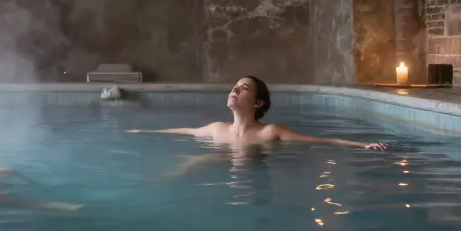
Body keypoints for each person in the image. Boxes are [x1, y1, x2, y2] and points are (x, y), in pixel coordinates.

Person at [127, 76, 388, 151]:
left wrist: (362, 144)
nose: (236, 89)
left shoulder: (269, 133)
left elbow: (320, 141)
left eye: (244, 88)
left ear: (258, 102)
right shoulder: (217, 128)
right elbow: (185, 131)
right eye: (235, 86)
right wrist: (144, 131)